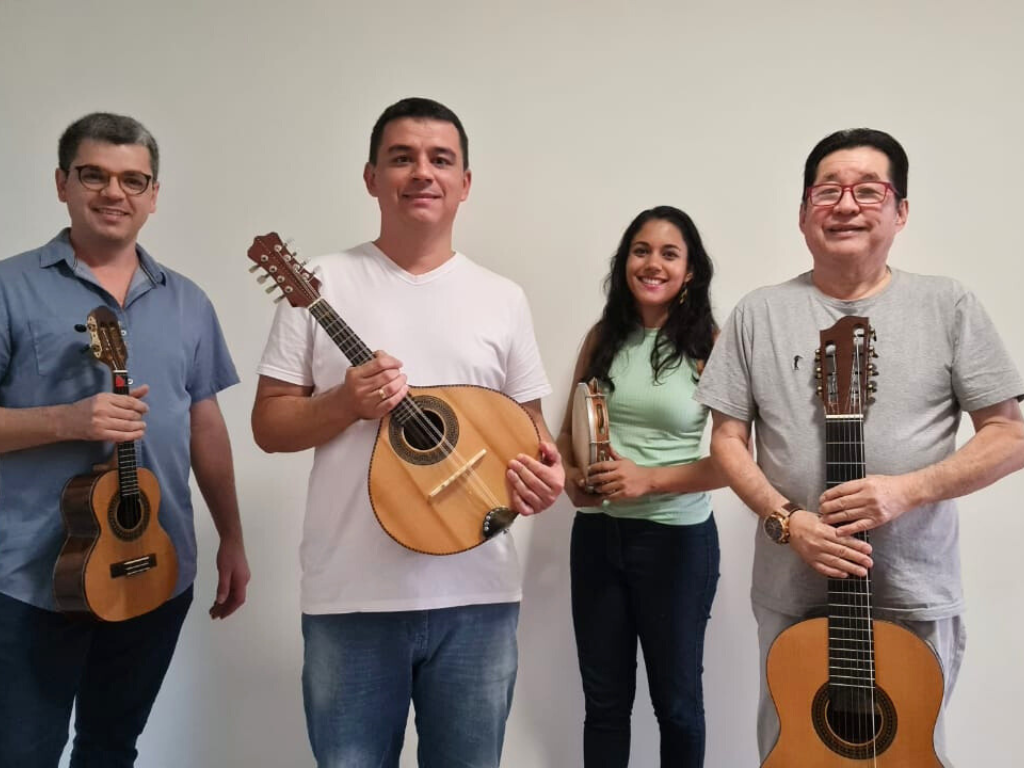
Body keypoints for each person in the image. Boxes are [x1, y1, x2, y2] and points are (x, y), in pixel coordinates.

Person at [251, 96, 565, 768]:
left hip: (479, 594)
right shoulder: (319, 286)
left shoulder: (502, 297)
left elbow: (529, 428)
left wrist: (547, 474)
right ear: (372, 178)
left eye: (440, 159)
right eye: (402, 158)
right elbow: (269, 425)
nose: (422, 172)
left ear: (465, 183)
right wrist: (343, 403)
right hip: (349, 597)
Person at [694, 128, 1024, 762]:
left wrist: (906, 491)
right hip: (794, 596)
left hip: (913, 592)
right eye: (828, 190)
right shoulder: (760, 312)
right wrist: (789, 522)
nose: (846, 205)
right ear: (802, 213)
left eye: (869, 190)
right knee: (797, 748)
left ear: (900, 211)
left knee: (902, 752)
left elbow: (1009, 435)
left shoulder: (947, 304)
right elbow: (729, 439)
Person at [0, 112, 249, 768]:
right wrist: (67, 421)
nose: (116, 193)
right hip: (31, 576)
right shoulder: (9, 288)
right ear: (62, 183)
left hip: (155, 564)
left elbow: (205, 424)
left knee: (112, 747)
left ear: (154, 195)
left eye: (134, 180)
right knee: (23, 752)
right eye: (95, 175)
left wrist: (233, 537)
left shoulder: (187, 301)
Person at [556, 206, 725, 767]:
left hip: (677, 543)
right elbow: (565, 434)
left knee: (676, 706)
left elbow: (737, 463)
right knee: (604, 706)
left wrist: (648, 478)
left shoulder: (709, 346)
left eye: (669, 253)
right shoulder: (603, 337)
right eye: (641, 250)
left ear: (691, 271)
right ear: (625, 261)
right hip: (598, 540)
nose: (652, 263)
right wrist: (574, 480)